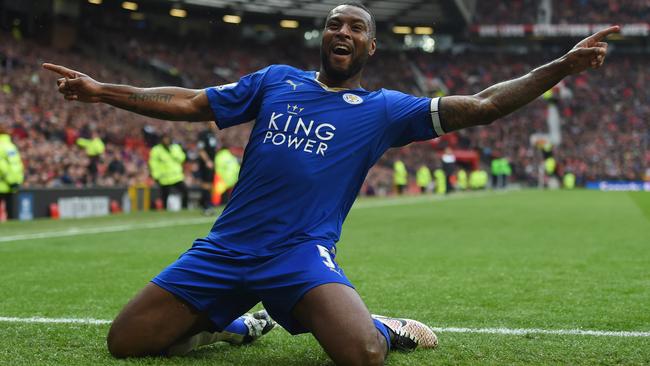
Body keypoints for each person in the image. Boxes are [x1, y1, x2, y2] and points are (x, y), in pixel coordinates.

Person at [43, 1, 618, 363]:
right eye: (334, 24)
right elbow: (193, 101)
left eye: (356, 28)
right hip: (227, 246)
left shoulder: (384, 109)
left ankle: (386, 327)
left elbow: (484, 104)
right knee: (126, 344)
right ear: (323, 38)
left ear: (371, 46)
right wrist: (103, 92)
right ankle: (232, 326)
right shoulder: (275, 81)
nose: (343, 31)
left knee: (363, 354)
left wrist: (562, 66)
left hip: (299, 254)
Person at [148, 133, 189, 210]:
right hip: (164, 178)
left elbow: (182, 158)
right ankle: (164, 211)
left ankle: (184, 208)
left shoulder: (175, 148)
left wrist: (173, 153)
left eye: (167, 139)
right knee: (164, 196)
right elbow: (153, 163)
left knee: (185, 191)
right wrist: (155, 175)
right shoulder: (156, 150)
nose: (166, 140)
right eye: (164, 139)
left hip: (176, 176)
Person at [0, 125, 24, 221]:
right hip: (11, 184)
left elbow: (2, 165)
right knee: (12, 213)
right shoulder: (11, 146)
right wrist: (15, 181)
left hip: (4, 182)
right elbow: (16, 165)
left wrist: (9, 180)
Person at [196, 125, 219, 213]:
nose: (215, 124)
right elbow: (201, 149)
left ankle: (205, 204)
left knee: (210, 184)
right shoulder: (203, 134)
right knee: (206, 184)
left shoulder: (213, 134)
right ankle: (206, 206)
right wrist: (207, 161)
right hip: (206, 163)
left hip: (212, 163)